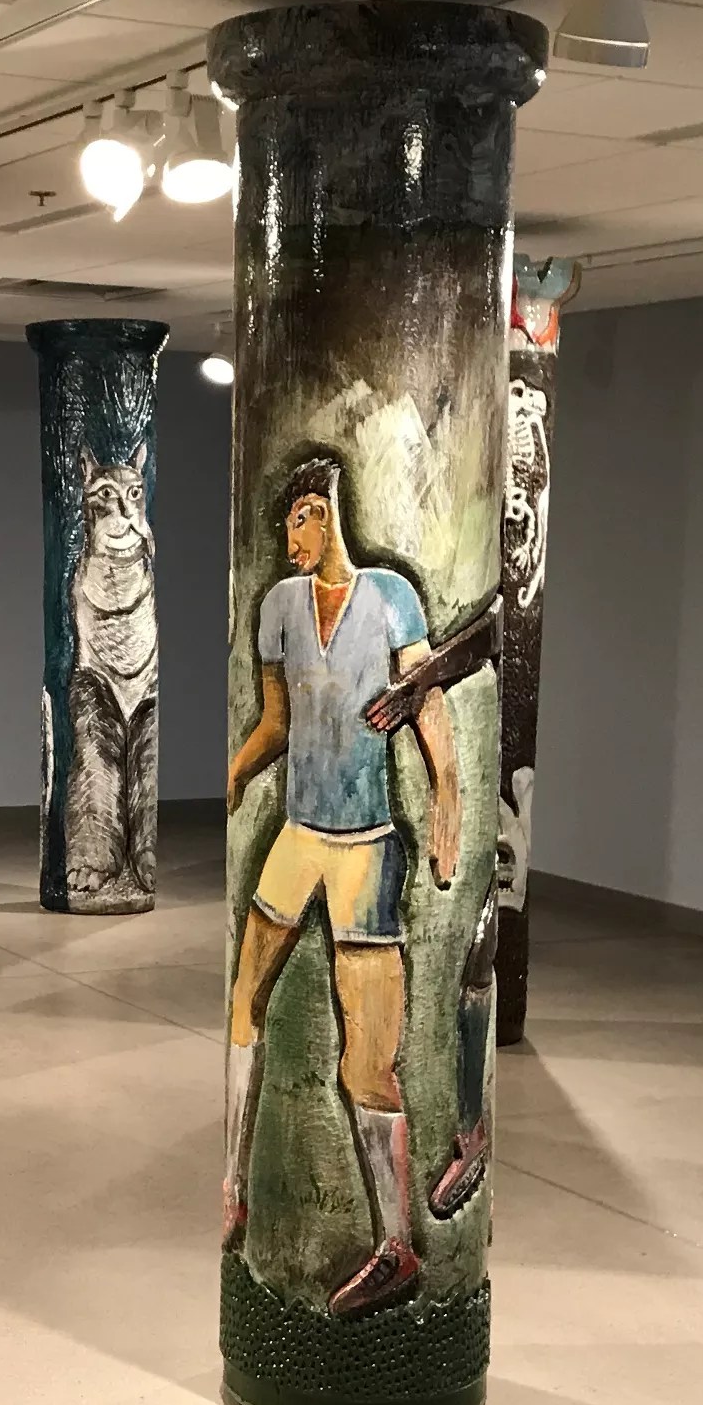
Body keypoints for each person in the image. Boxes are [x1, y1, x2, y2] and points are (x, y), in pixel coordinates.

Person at [224, 454, 462, 1319]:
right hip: (299, 836)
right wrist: (237, 772)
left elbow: (426, 703)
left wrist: (447, 795)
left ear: (325, 513)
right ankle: (231, 1187)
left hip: (365, 846)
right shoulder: (278, 608)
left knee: (368, 1056)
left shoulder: (391, 597)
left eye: (299, 519)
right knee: (244, 997)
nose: (288, 537)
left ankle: (397, 1245)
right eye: (284, 522)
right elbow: (277, 722)